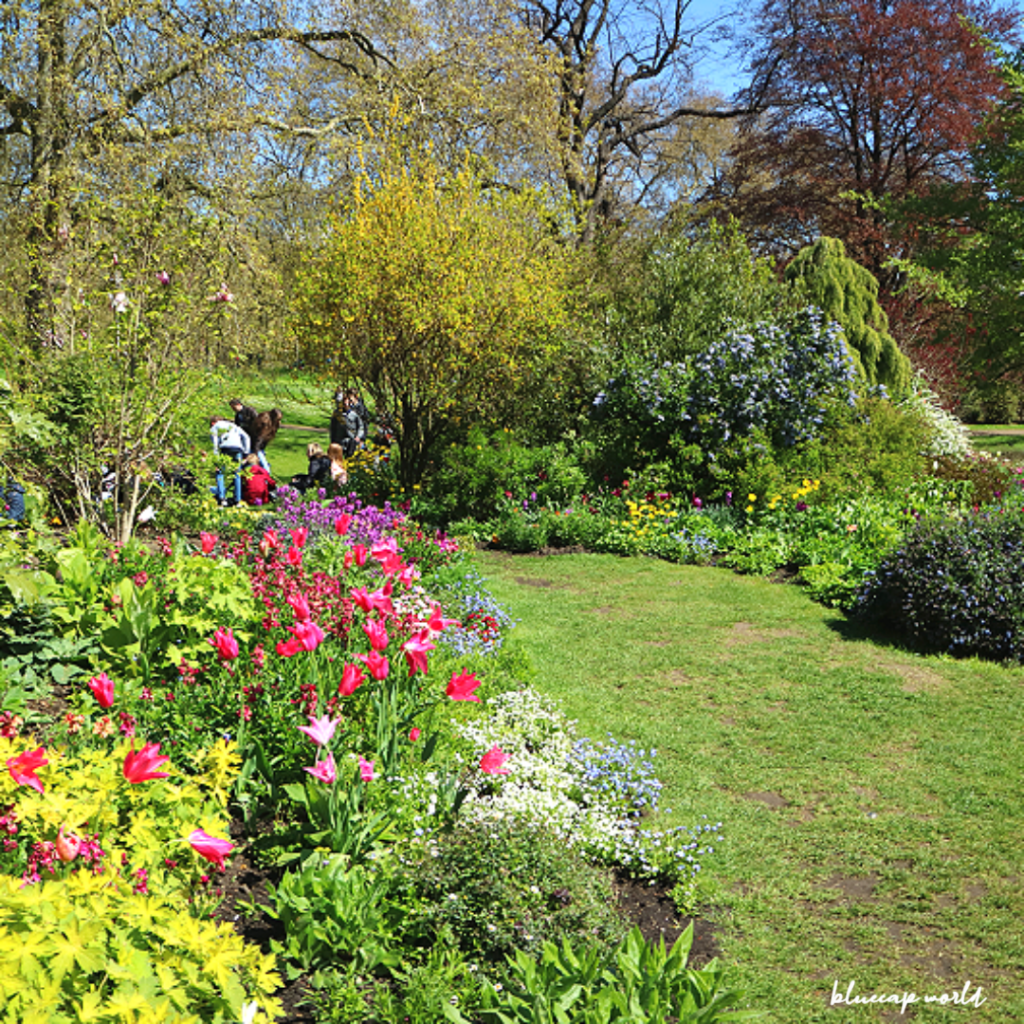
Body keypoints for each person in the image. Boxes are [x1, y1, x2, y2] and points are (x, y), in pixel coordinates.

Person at [210, 416, 250, 505]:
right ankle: (237, 499)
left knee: (220, 472)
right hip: (238, 449)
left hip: (225, 448)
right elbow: (246, 437)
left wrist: (216, 458)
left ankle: (221, 498)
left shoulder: (215, 427)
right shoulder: (234, 426)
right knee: (237, 473)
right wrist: (246, 452)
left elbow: (214, 444)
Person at [228, 399, 268, 471]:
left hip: (254, 438)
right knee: (248, 458)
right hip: (246, 439)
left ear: (239, 405)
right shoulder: (237, 415)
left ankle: (266, 472)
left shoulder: (249, 411)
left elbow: (257, 422)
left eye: (234, 407)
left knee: (259, 456)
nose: (233, 409)